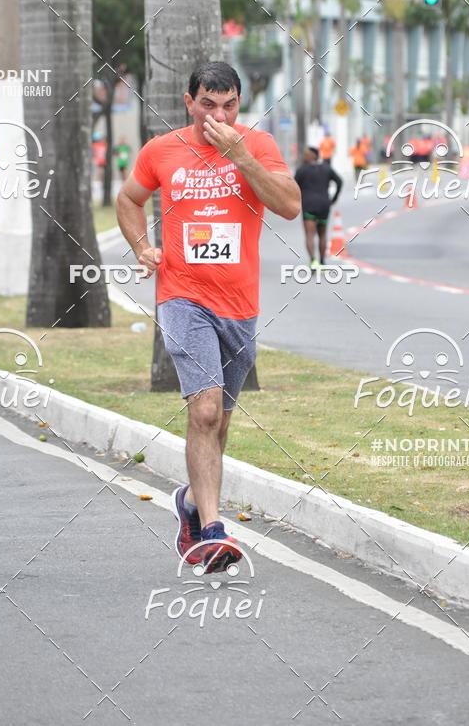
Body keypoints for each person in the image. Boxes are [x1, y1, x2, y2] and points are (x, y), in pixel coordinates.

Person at [117, 61, 300, 573]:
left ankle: (192, 504)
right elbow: (129, 199)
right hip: (182, 296)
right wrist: (141, 246)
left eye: (229, 105)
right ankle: (212, 533)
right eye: (208, 104)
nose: (218, 113)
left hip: (239, 306)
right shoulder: (162, 150)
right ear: (189, 101)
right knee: (203, 411)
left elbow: (289, 205)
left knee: (218, 421)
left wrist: (240, 156)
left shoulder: (257, 146)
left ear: (239, 103)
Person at [294, 147, 342, 267]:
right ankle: (322, 262)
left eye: (306, 154)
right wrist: (334, 198)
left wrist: (296, 199)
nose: (304, 156)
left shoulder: (301, 170)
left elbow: (293, 186)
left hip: (308, 204)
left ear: (313, 156)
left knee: (309, 235)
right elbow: (339, 181)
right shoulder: (326, 168)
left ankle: (313, 261)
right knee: (322, 234)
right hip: (324, 204)